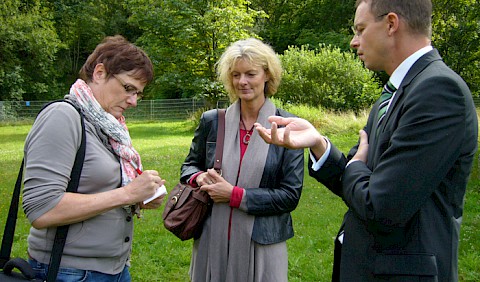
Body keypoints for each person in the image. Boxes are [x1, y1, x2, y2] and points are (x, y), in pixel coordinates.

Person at [255, 0, 478, 281]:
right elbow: (360, 184)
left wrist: (356, 167)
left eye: (360, 29)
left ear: (391, 24)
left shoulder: (438, 91)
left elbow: (381, 206)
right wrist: (319, 144)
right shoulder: (397, 91)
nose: (353, 41)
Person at [22, 35, 166, 281]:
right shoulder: (63, 116)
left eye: (138, 94)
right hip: (69, 272)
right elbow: (41, 209)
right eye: (128, 88)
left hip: (114, 269)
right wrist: (128, 194)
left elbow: (94, 188)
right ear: (100, 72)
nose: (133, 101)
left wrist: (138, 198)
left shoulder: (108, 126)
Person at [180, 38, 304, 281]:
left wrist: (235, 195)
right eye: (236, 75)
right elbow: (188, 167)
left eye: (250, 74)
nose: (242, 82)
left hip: (264, 243)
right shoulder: (212, 121)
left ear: (267, 75)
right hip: (211, 238)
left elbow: (290, 195)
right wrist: (200, 176)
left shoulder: (287, 126)